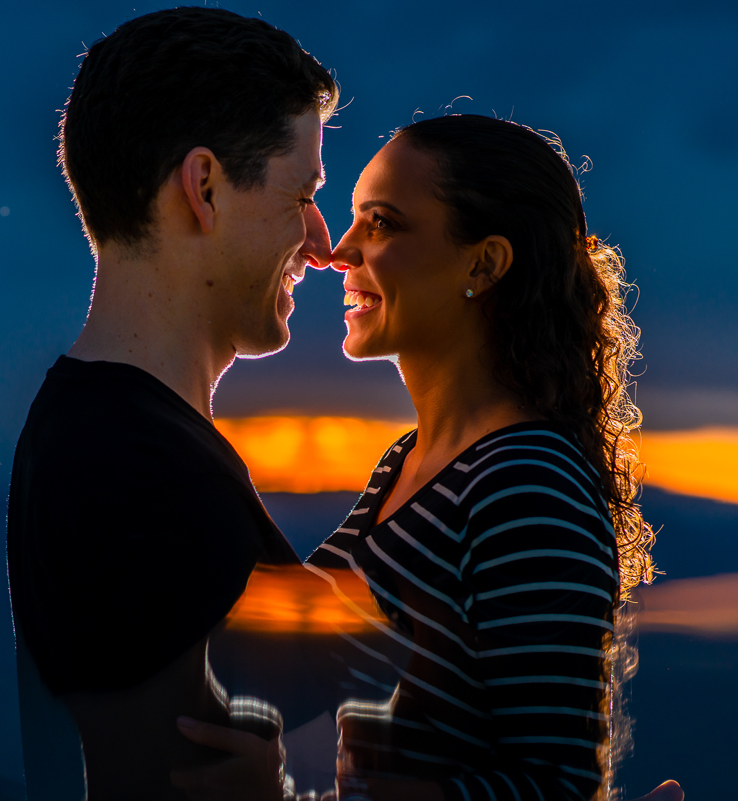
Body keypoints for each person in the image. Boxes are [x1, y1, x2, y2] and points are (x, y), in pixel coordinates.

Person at [277, 114, 665, 800]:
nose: (341, 251)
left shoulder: (526, 485)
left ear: (483, 264)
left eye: (383, 223)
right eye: (355, 219)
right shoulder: (408, 460)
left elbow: (559, 785)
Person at [5, 8, 337, 800]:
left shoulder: (104, 434)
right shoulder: (141, 472)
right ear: (205, 187)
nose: (322, 242)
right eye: (301, 194)